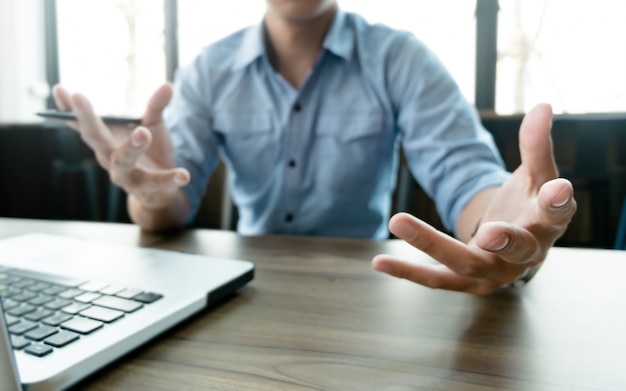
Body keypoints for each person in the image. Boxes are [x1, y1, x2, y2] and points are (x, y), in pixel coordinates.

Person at [52, 0, 576, 295]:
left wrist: (500, 228)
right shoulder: (210, 69)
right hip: (240, 290)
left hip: (364, 289)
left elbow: (463, 172)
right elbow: (167, 205)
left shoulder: (400, 57)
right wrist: (146, 190)